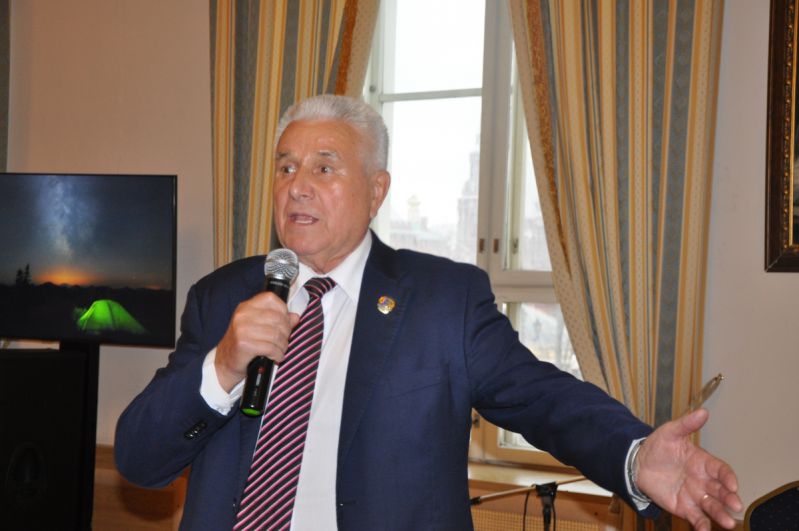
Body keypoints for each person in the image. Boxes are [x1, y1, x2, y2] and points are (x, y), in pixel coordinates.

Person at [115, 95, 741, 531]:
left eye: (324, 167)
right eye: (285, 167)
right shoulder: (221, 297)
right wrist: (223, 367)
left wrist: (633, 454)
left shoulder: (442, 300)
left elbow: (544, 399)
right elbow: (140, 460)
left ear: (376, 191)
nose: (296, 185)